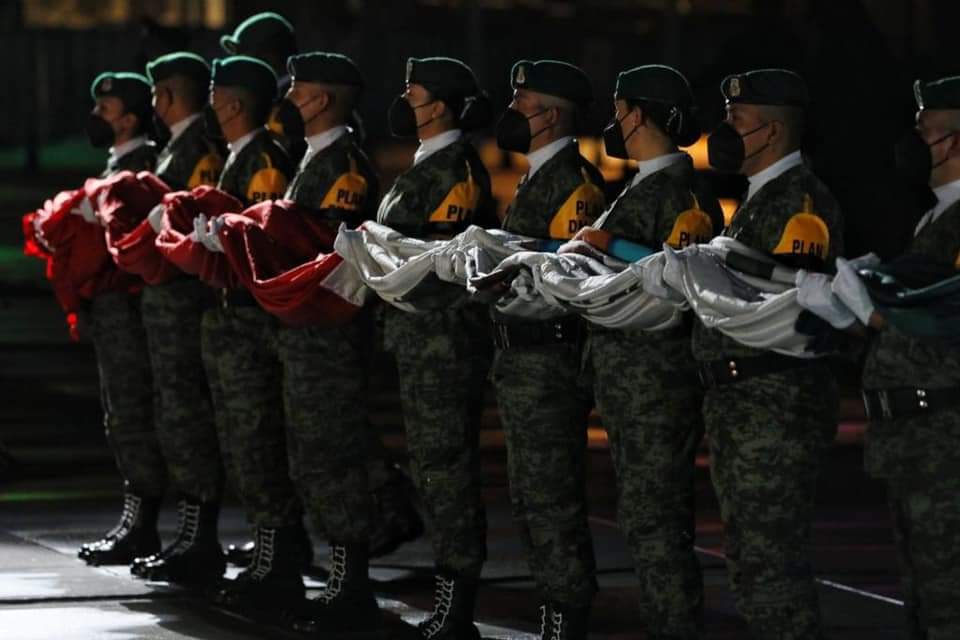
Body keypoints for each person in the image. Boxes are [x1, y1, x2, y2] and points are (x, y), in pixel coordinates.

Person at [567, 64, 723, 638]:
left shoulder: (681, 192)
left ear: (636, 114)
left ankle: (674, 626)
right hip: (631, 376)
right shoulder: (644, 185)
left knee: (657, 519)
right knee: (644, 515)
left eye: (619, 110)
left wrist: (610, 244)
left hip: (656, 377)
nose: (614, 122)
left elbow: (684, 272)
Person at [695, 68, 844, 639]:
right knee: (752, 558)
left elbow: (792, 307)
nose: (725, 131)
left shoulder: (799, 203)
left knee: (772, 565)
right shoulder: (761, 199)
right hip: (746, 401)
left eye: (737, 120)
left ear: (774, 131)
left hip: (774, 404)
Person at [368, 56, 496, 640]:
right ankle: (450, 598)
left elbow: (435, 263)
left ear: (439, 105)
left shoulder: (456, 171)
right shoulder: (430, 162)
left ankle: (456, 603)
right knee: (433, 466)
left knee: (448, 471)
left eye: (413, 92)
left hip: (444, 343)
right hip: (420, 341)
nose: (404, 100)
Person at [838, 75, 960, 639]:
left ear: (953, 141)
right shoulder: (934, 217)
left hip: (945, 436)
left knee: (946, 598)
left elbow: (944, 322)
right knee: (923, 595)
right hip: (915, 434)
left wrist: (873, 310)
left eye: (924, 131)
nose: (912, 143)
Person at [490, 59, 606, 639]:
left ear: (553, 116)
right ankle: (553, 614)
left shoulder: (575, 185)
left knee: (551, 496)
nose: (512, 112)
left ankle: (565, 618)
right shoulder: (538, 177)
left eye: (523, 103)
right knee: (531, 496)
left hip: (550, 361)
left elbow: (569, 277)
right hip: (522, 362)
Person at [128, 51, 227, 585]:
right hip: (169, 304)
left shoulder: (197, 153)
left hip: (186, 304)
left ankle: (199, 535)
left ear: (166, 96)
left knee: (189, 415)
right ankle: (190, 533)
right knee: (175, 415)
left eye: (157, 94)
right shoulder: (176, 148)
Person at [76, 71, 166, 568]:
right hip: (113, 309)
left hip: (131, 311)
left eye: (105, 110)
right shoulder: (118, 164)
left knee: (133, 411)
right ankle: (135, 517)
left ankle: (143, 523)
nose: (96, 117)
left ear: (130, 119)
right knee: (120, 412)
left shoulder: (142, 167)